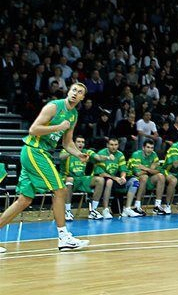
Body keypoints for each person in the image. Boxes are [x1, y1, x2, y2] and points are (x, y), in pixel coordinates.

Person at [0, 83, 90, 252]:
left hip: (39, 153)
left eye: (79, 92)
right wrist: (58, 127)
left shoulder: (74, 115)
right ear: (68, 92)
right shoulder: (54, 106)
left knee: (24, 201)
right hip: (35, 151)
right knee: (60, 190)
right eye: (73, 90)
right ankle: (64, 237)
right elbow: (33, 130)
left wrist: (78, 154)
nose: (75, 93)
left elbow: (67, 142)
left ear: (82, 98)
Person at [59, 135, 110, 221]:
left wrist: (108, 157)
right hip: (67, 177)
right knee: (70, 179)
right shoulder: (66, 150)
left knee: (100, 180)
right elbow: (61, 157)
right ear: (74, 143)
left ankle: (93, 210)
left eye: (82, 142)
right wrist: (72, 152)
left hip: (81, 178)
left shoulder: (86, 152)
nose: (81, 144)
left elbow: (98, 157)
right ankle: (67, 211)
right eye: (78, 142)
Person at [127, 139, 167, 216]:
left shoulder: (154, 154)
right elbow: (138, 173)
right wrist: (151, 169)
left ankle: (157, 206)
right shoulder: (136, 155)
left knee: (161, 177)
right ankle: (137, 206)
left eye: (152, 148)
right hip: (132, 179)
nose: (150, 150)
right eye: (148, 147)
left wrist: (146, 168)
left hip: (147, 177)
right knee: (144, 177)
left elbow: (158, 171)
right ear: (143, 147)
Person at [91, 138, 129, 220]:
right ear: (107, 145)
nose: (114, 147)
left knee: (130, 181)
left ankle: (128, 208)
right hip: (99, 178)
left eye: (116, 145)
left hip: (113, 178)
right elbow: (101, 173)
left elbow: (123, 169)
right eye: (111, 145)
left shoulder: (120, 155)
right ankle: (105, 209)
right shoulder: (102, 153)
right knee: (109, 182)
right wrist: (115, 178)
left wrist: (123, 177)